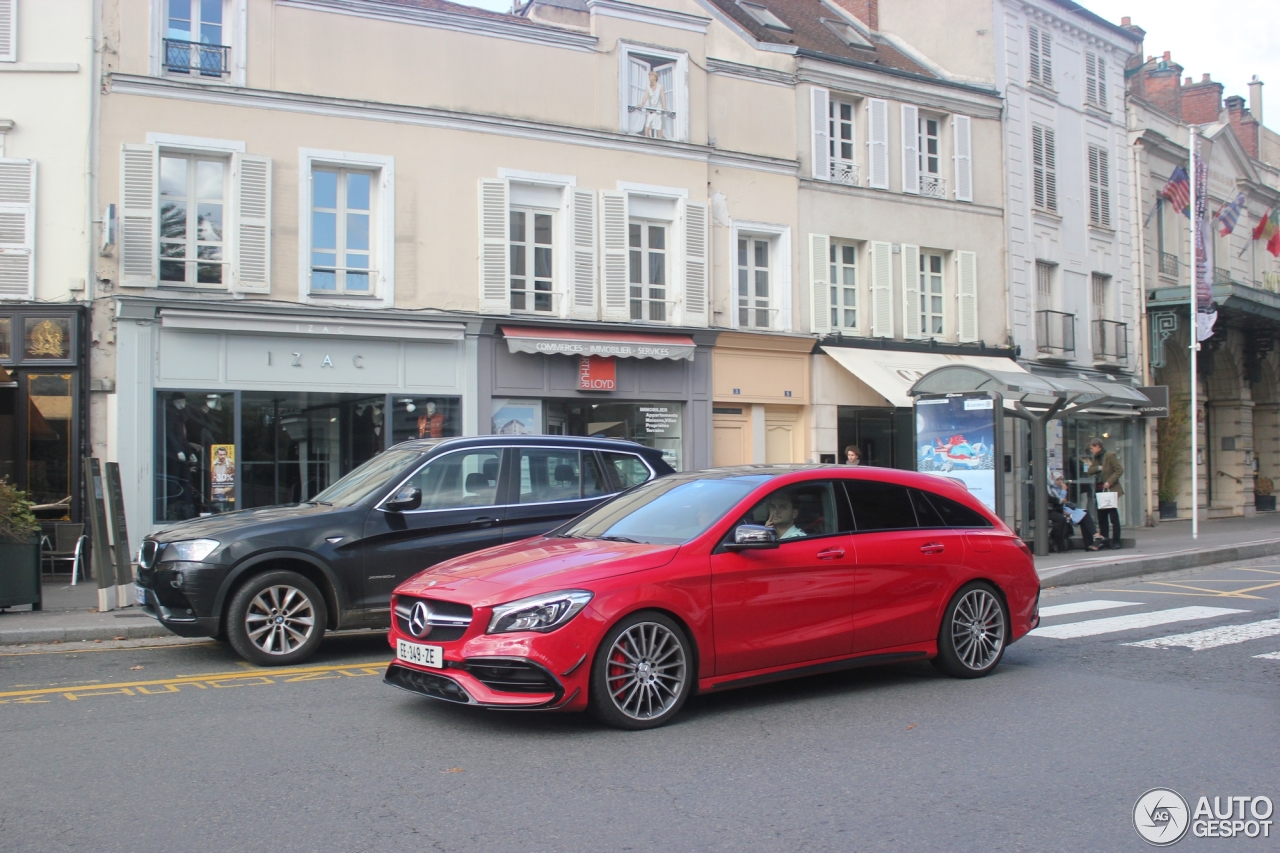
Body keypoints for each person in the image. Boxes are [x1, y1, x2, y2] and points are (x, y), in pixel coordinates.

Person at [1089, 438, 1124, 550]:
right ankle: (1104, 540)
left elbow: (1119, 470)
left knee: (1113, 517)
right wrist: (1099, 468)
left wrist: (1109, 481)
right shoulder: (1096, 458)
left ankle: (1116, 541)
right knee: (1101, 517)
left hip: (1110, 490)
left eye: (1092, 448)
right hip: (1100, 491)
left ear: (1098, 447)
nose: (1091, 450)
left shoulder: (1109, 455)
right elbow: (1090, 470)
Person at [639, 70, 667, 138]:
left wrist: (664, 107)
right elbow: (645, 97)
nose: (649, 77)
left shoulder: (660, 87)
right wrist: (642, 104)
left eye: (651, 75)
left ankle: (659, 145)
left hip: (658, 110)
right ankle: (649, 143)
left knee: (659, 130)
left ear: (655, 77)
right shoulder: (648, 87)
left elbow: (663, 98)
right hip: (651, 111)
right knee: (647, 129)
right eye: (649, 76)